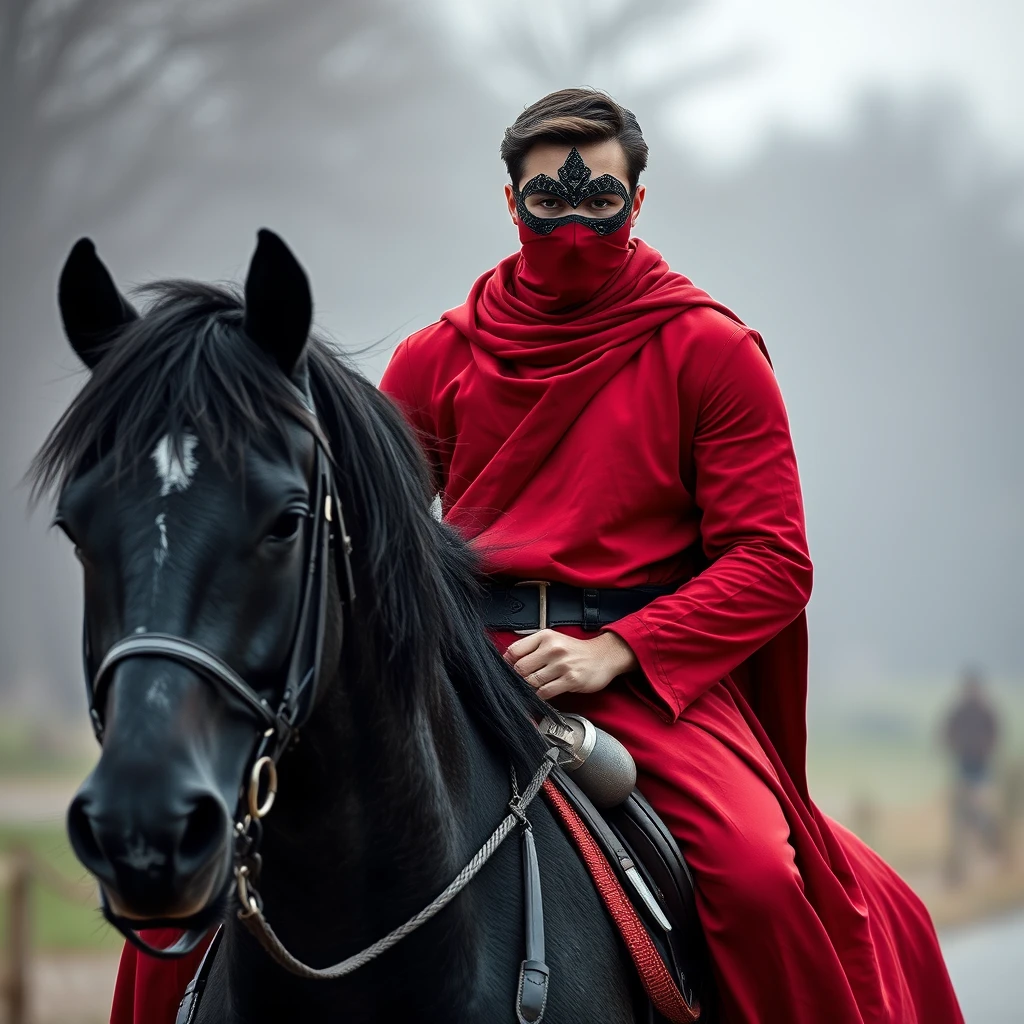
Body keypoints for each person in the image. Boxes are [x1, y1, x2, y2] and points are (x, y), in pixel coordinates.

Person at [379, 88, 964, 1023]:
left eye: (599, 201)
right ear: (508, 202)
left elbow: (772, 558)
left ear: (640, 203)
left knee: (760, 880)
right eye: (547, 201)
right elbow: (377, 551)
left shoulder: (712, 353)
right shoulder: (431, 361)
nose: (572, 224)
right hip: (464, 676)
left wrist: (618, 651)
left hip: (647, 683)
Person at [942, 668, 1002, 882]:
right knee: (962, 812)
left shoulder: (985, 711)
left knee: (977, 808)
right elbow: (946, 731)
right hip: (964, 766)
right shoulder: (960, 711)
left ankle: (989, 835)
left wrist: (984, 749)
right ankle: (964, 861)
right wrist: (954, 746)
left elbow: (995, 734)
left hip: (981, 768)